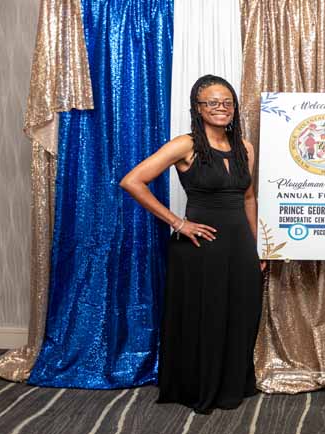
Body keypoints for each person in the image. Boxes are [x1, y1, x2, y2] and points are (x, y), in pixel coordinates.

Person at [120, 74, 263, 414]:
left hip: (240, 245)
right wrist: (178, 223)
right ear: (198, 108)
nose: (221, 108)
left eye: (227, 102)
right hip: (200, 249)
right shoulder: (185, 145)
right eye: (212, 102)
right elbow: (132, 181)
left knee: (241, 313)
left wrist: (257, 247)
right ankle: (201, 386)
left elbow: (248, 198)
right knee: (207, 316)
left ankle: (231, 385)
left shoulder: (245, 147)